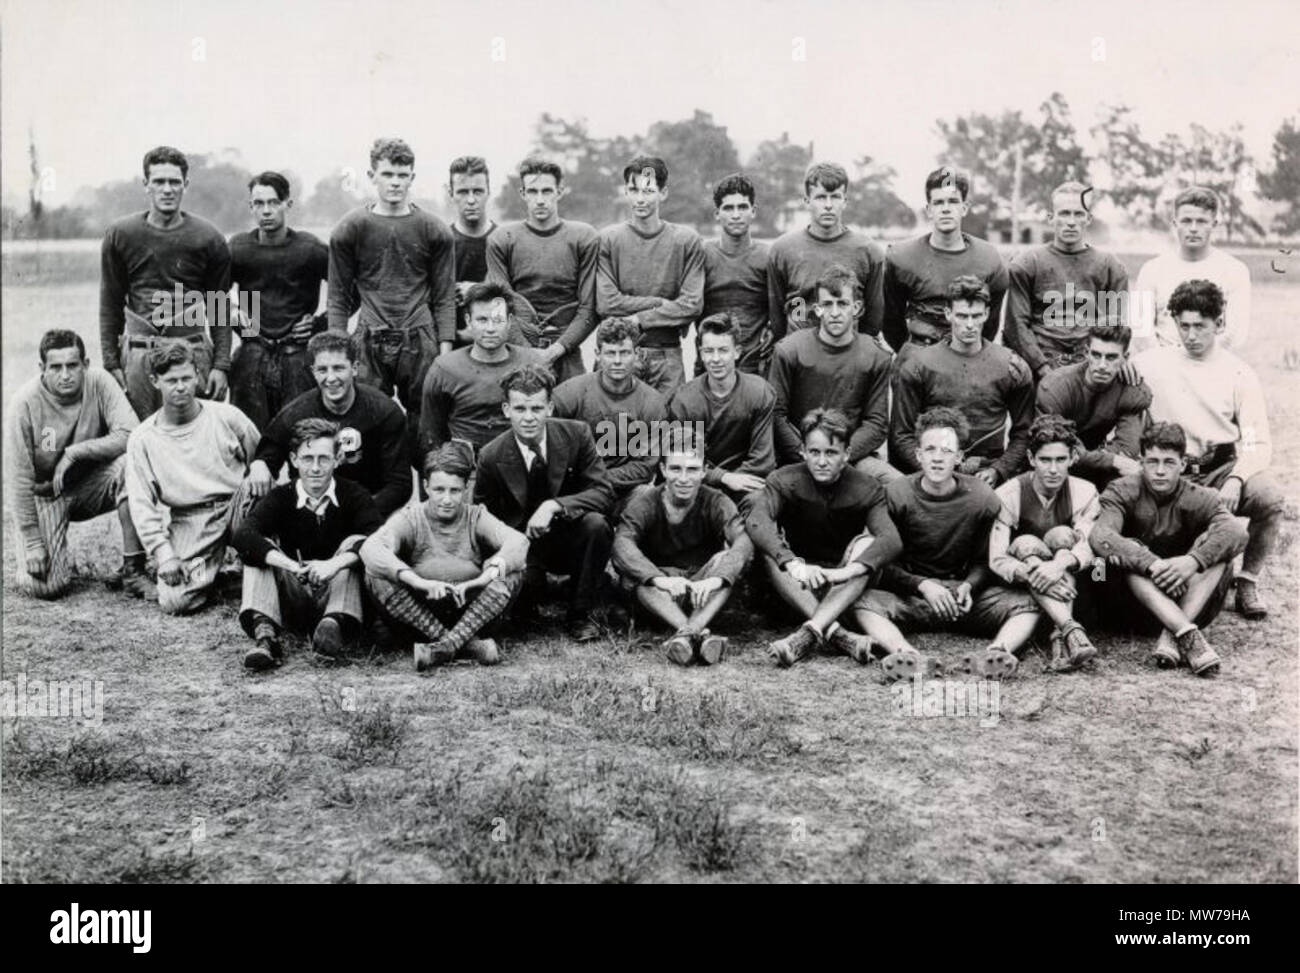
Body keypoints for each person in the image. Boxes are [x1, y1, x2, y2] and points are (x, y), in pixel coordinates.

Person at [1132, 279, 1283, 619]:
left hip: (1219, 468)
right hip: (1171, 472)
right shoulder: (1150, 364)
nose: (1191, 335)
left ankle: (1247, 580)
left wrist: (1237, 478)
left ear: (1219, 324)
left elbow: (1257, 441)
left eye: (1200, 326)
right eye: (1183, 325)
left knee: (1269, 495)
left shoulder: (1239, 372)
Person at [857, 407, 1041, 682]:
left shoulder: (981, 497)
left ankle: (998, 652)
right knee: (861, 602)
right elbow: (882, 561)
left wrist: (970, 586)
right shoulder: (895, 494)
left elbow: (985, 559)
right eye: (930, 450)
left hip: (962, 597)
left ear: (959, 457)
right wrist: (921, 585)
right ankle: (905, 654)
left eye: (946, 451)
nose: (938, 458)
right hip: (914, 595)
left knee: (1029, 603)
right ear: (918, 455)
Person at [328, 137, 456, 465]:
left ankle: (432, 510)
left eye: (402, 175)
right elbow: (339, 296)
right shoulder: (351, 228)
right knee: (363, 428)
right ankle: (375, 512)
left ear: (412, 178)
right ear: (372, 176)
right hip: (370, 336)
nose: (395, 182)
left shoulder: (434, 229)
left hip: (419, 337)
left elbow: (443, 296)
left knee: (429, 434)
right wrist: (338, 349)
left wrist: (443, 353)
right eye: (388, 174)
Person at [745, 408, 902, 668]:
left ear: (847, 455)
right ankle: (839, 636)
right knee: (770, 550)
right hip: (797, 583)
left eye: (831, 453)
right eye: (814, 452)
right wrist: (792, 563)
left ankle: (809, 633)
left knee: (867, 546)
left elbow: (890, 539)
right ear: (803, 452)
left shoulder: (867, 486)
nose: (821, 461)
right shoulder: (784, 479)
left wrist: (848, 570)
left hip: (844, 584)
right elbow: (757, 520)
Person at [1089, 422, 1249, 676]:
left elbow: (1238, 533)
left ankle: (1173, 634)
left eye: (1169, 462)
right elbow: (1101, 536)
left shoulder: (1201, 495)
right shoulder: (1121, 489)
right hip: (1130, 607)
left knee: (1220, 551)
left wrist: (1192, 561)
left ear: (1183, 464)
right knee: (1128, 551)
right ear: (1141, 462)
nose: (1160, 471)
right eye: (1152, 462)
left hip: (1190, 599)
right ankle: (1186, 634)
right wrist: (1152, 564)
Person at [5, 329, 151, 600]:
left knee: (133, 464)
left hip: (90, 483)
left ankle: (134, 568)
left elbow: (132, 434)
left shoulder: (99, 382)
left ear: (85, 364)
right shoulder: (24, 403)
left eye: (72, 365)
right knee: (45, 587)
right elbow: (18, 480)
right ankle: (50, 550)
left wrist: (75, 452)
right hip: (47, 494)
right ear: (42, 368)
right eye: (56, 367)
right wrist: (34, 541)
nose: (65, 375)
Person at [474, 364, 615, 641]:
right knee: (524, 607)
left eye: (536, 409)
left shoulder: (577, 434)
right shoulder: (491, 455)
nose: (528, 418)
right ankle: (532, 601)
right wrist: (510, 550)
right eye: (520, 409)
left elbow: (604, 491)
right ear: (506, 410)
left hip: (569, 534)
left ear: (550, 408)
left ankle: (580, 614)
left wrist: (554, 506)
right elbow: (482, 517)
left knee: (597, 525)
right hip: (523, 545)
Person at [232, 418, 383, 671]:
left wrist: (334, 564)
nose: (315, 468)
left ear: (337, 460)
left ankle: (333, 628)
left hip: (337, 593)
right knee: (257, 550)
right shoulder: (282, 495)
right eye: (307, 458)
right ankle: (266, 638)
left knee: (355, 543)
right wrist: (290, 565)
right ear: (293, 460)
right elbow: (243, 535)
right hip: (295, 593)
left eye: (323, 459)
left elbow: (379, 538)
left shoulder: (354, 494)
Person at [362, 443, 528, 670]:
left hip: (474, 614)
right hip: (418, 617)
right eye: (439, 490)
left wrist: (482, 579)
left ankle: (443, 648)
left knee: (511, 569)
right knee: (376, 573)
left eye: (455, 491)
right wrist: (418, 582)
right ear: (426, 486)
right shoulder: (411, 517)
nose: (447, 499)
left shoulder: (476, 516)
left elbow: (519, 543)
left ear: (466, 489)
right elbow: (370, 548)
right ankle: (467, 645)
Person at [125, 342, 259, 615]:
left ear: (198, 375)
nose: (181, 386)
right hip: (193, 520)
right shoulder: (143, 438)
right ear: (154, 381)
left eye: (187, 378)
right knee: (176, 600)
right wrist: (164, 556)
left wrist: (260, 469)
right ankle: (216, 580)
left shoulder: (226, 416)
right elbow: (141, 505)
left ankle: (261, 567)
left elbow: (261, 456)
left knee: (259, 499)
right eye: (171, 380)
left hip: (237, 504)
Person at [99, 145, 232, 419]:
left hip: (190, 350)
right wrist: (111, 362)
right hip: (139, 354)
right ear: (146, 184)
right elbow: (110, 303)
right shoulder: (121, 234)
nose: (167, 189)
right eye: (159, 181)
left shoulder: (209, 237)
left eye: (174, 182)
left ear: (186, 184)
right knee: (138, 436)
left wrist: (221, 365)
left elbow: (219, 307)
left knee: (194, 439)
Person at [612, 448, 754, 666]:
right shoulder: (646, 501)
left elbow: (743, 540)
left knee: (727, 560)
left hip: (703, 591)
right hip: (660, 594)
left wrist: (716, 578)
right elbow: (622, 543)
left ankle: (686, 635)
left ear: (704, 471)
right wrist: (659, 579)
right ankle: (697, 633)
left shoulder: (716, 500)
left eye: (693, 469)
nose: (684, 478)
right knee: (635, 575)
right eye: (676, 469)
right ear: (663, 470)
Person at [891, 276, 1035, 485]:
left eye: (976, 316)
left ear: (986, 313)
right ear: (948, 314)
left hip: (988, 473)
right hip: (934, 471)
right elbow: (902, 435)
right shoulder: (919, 366)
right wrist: (935, 470)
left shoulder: (1011, 367)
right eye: (962, 316)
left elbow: (1024, 432)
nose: (969, 325)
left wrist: (999, 470)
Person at [248, 332, 411, 517]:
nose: (331, 378)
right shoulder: (295, 413)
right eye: (323, 370)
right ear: (313, 372)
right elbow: (270, 452)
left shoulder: (384, 412)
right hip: (312, 510)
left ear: (355, 368)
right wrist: (260, 464)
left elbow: (400, 484)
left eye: (338, 368)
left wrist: (362, 512)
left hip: (369, 508)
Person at [988, 414, 1102, 670]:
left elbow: (1087, 544)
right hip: (1023, 584)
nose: (1053, 469)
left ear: (1073, 457)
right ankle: (1067, 632)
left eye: (1061, 459)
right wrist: (1033, 574)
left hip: (1072, 586)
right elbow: (996, 558)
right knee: (1026, 541)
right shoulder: (1008, 493)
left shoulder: (1085, 491)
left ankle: (1062, 632)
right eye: (1045, 460)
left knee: (1063, 535)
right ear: (1031, 459)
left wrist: (1059, 565)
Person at [768, 265, 897, 482]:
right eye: (827, 304)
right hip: (799, 457)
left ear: (856, 307)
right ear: (817, 309)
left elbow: (876, 423)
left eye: (843, 304)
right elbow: (776, 416)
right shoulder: (789, 351)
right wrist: (809, 455)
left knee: (898, 486)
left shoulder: (875, 356)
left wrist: (840, 457)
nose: (835, 313)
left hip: (852, 457)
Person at [227, 171, 329, 430]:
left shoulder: (309, 248)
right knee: (249, 440)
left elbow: (350, 292)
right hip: (253, 351)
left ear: (288, 204)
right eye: (259, 204)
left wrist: (319, 325)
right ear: (251, 207)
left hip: (298, 353)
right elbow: (213, 293)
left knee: (305, 435)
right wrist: (235, 317)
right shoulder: (238, 248)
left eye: (273, 202)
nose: (267, 211)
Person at [595, 155, 705, 396]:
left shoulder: (686, 241)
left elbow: (692, 305)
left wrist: (638, 319)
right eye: (634, 190)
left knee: (668, 429)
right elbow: (606, 303)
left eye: (648, 191)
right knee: (616, 429)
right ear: (626, 191)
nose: (640, 199)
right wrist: (660, 304)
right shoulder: (608, 239)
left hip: (667, 354)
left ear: (663, 193)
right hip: (619, 351)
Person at [486, 157, 599, 383]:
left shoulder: (583, 237)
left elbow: (589, 308)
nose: (540, 200)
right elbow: (500, 306)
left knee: (572, 411)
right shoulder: (502, 239)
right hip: (517, 347)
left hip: (566, 348)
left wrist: (555, 350)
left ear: (560, 191)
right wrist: (530, 354)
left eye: (547, 191)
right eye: (533, 191)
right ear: (523, 193)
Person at [1004, 181, 1130, 378]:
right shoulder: (1027, 263)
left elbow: (1115, 326)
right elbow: (1016, 325)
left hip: (1092, 366)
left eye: (1078, 214)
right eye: (1064, 213)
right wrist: (1042, 368)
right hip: (1041, 363)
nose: (1071, 222)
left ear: (1088, 218)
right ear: (1051, 218)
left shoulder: (1110, 267)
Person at [881, 166, 1008, 354]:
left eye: (953, 201)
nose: (946, 209)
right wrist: (911, 355)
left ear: (964, 208)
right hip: (920, 355)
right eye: (939, 202)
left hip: (968, 357)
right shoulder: (902, 257)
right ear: (929, 209)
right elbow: (891, 321)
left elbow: (990, 323)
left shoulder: (989, 259)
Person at [551, 317, 668, 509]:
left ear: (637, 354)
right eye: (610, 353)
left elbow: (645, 467)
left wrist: (599, 477)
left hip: (622, 490)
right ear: (597, 354)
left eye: (624, 353)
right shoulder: (570, 393)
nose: (617, 361)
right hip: (576, 488)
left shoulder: (652, 403)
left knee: (648, 497)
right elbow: (548, 443)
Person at [767, 161, 887, 341]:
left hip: (848, 353)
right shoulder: (783, 250)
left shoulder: (868, 251)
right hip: (799, 353)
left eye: (835, 196)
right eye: (821, 197)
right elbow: (776, 317)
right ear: (807, 201)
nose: (828, 205)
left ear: (845, 201)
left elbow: (873, 320)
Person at [420, 281, 542, 456]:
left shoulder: (531, 363)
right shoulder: (445, 369)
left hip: (519, 463)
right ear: (469, 321)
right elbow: (431, 434)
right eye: (482, 320)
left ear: (509, 322)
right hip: (466, 467)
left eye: (498, 320)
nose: (490, 329)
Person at [667, 313, 775, 507]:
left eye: (723, 350)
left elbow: (762, 459)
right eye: (709, 351)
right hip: (701, 483)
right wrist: (723, 478)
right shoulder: (685, 400)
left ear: (737, 351)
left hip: (744, 482)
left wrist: (735, 480)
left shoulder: (759, 392)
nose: (715, 359)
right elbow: (683, 459)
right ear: (700, 353)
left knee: (759, 501)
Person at [1133, 186, 1252, 351]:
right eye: (1186, 221)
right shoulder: (1150, 270)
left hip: (1213, 367)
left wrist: (1199, 361)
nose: (1194, 228)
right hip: (1162, 364)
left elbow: (1235, 334)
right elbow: (1140, 330)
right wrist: (1164, 362)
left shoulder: (1235, 270)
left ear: (1214, 224)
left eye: (1202, 221)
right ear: (1175, 223)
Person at [1035, 324, 1151, 488]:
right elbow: (1056, 448)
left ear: (1125, 357)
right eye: (1096, 355)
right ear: (1087, 352)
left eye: (1111, 357)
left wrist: (1108, 460)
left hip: (1096, 465)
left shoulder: (1130, 389)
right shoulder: (1056, 387)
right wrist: (1113, 460)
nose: (1102, 365)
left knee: (1126, 482)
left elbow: (1127, 449)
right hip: (1055, 464)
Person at [700, 173, 773, 375]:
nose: (735, 215)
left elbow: (793, 302)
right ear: (717, 213)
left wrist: (776, 331)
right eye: (728, 208)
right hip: (710, 363)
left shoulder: (768, 257)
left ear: (753, 211)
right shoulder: (702, 255)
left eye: (742, 207)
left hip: (755, 365)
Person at [448, 156, 497, 329]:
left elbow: (517, 298)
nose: (470, 200)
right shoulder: (441, 242)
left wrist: (478, 291)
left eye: (477, 191)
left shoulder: (504, 241)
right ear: (451, 194)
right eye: (462, 192)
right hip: (450, 344)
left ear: (488, 192)